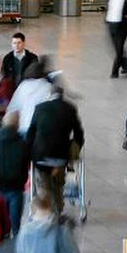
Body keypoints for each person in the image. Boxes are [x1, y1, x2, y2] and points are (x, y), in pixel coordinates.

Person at [27, 85, 85, 213]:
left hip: (41, 157)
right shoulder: (70, 108)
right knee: (58, 185)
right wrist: (75, 148)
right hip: (61, 157)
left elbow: (31, 133)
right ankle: (58, 209)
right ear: (62, 96)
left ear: (50, 95)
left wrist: (30, 152)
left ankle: (45, 210)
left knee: (43, 184)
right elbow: (79, 133)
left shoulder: (40, 108)